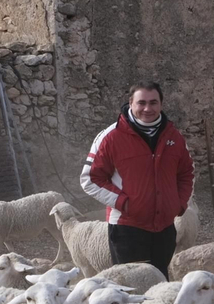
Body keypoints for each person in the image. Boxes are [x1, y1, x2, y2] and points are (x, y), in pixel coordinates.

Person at [80, 80, 194, 279]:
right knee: (132, 289)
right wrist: (124, 203)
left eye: (153, 102)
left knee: (160, 284)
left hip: (165, 228)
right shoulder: (111, 137)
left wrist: (179, 204)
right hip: (127, 228)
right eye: (141, 103)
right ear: (130, 103)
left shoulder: (174, 137)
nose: (147, 108)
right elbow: (90, 179)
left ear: (161, 104)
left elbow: (186, 174)